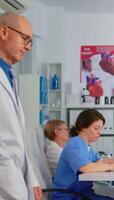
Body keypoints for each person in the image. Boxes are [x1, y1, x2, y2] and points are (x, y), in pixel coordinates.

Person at [0, 12, 42, 200]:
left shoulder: (10, 76)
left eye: (30, 41)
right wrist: (17, 191)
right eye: (25, 38)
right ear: (3, 32)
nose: (28, 47)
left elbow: (18, 141)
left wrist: (32, 179)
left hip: (16, 182)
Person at [53, 109, 114, 200]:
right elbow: (85, 168)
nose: (99, 132)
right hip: (69, 195)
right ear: (84, 127)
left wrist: (112, 161)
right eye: (96, 128)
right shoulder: (75, 144)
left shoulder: (85, 146)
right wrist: (113, 166)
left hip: (81, 193)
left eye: (100, 129)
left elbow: (98, 161)